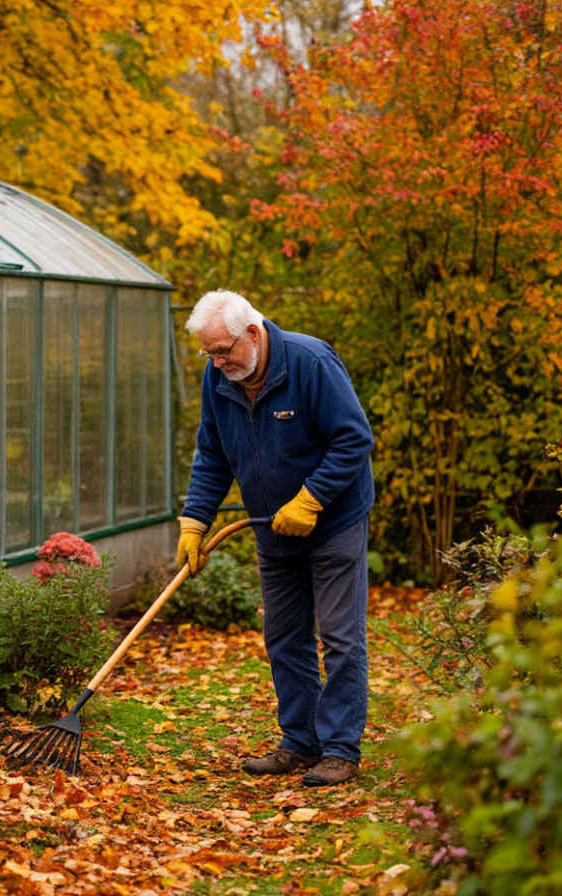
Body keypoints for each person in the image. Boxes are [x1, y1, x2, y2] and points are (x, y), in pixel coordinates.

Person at [176, 289, 374, 787]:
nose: (218, 362)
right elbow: (213, 452)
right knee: (284, 638)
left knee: (340, 637)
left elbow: (354, 438)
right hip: (271, 526)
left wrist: (311, 500)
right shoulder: (218, 379)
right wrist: (195, 519)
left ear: (253, 333)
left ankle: (340, 750)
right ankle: (301, 742)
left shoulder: (309, 362)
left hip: (333, 522)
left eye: (223, 351)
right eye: (209, 353)